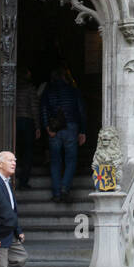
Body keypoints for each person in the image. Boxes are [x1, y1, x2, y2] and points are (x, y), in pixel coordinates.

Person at [40, 65, 87, 201]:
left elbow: (43, 109)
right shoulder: (73, 90)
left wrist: (47, 127)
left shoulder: (48, 91)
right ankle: (65, 188)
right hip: (71, 127)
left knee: (55, 161)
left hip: (54, 128)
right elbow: (81, 111)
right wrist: (83, 131)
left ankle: (56, 193)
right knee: (71, 159)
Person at [14, 67, 40, 189]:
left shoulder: (13, 88)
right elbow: (34, 108)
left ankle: (14, 178)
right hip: (27, 122)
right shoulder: (30, 89)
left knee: (16, 151)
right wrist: (37, 126)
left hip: (15, 121)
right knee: (28, 152)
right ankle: (23, 181)